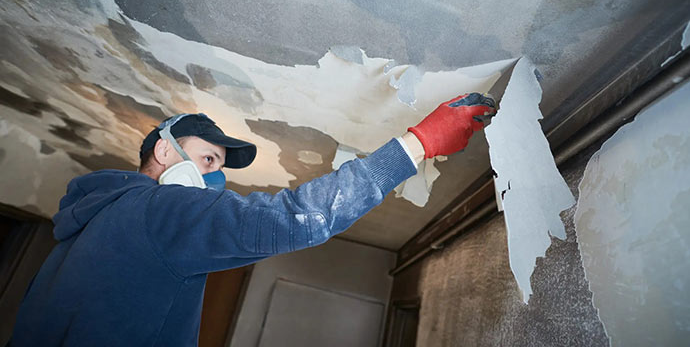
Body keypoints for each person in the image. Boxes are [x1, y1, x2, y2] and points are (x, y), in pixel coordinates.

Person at [10, 93, 495, 346]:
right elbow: (298, 219)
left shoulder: (91, 222)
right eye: (208, 161)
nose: (215, 180)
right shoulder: (158, 210)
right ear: (164, 149)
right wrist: (419, 144)